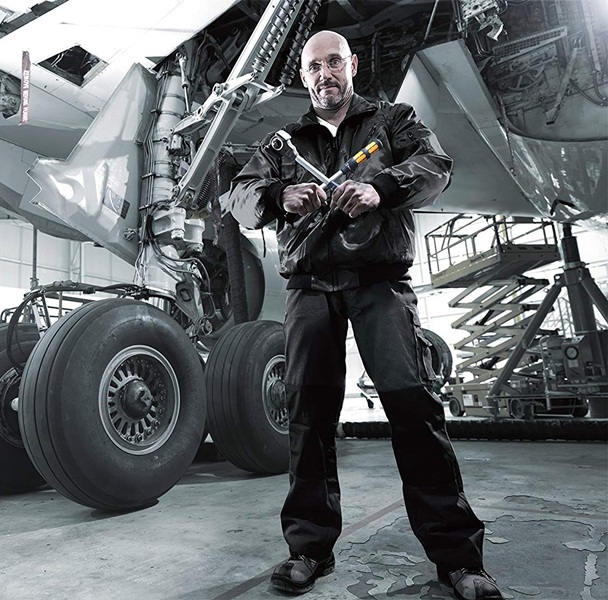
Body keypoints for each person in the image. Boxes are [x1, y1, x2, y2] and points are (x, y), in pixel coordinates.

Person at [228, 31, 505, 600]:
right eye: (314, 67)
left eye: (334, 62)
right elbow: (239, 196)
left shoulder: (393, 121)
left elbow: (436, 165)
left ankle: (459, 559)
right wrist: (278, 197)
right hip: (309, 288)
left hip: (380, 284)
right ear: (303, 76)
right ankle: (309, 549)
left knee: (413, 410)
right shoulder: (285, 143)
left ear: (351, 65)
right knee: (308, 419)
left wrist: (381, 188)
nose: (324, 74)